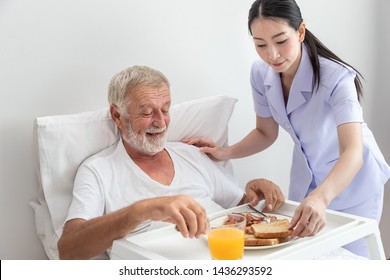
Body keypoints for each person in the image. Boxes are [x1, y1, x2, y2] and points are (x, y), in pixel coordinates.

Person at [184, 0, 390, 258]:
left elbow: (352, 151)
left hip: (351, 182)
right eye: (260, 44)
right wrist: (225, 152)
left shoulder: (337, 78)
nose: (272, 55)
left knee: (354, 262)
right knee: (306, 259)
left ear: (301, 32)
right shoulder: (261, 73)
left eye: (281, 41)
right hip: (307, 182)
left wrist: (321, 198)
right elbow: (265, 132)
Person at [57, 65, 285, 260]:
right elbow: (68, 249)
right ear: (118, 116)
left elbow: (240, 210)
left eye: (165, 109)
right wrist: (142, 210)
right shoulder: (98, 170)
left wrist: (256, 190)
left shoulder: (191, 155)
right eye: (147, 112)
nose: (161, 122)